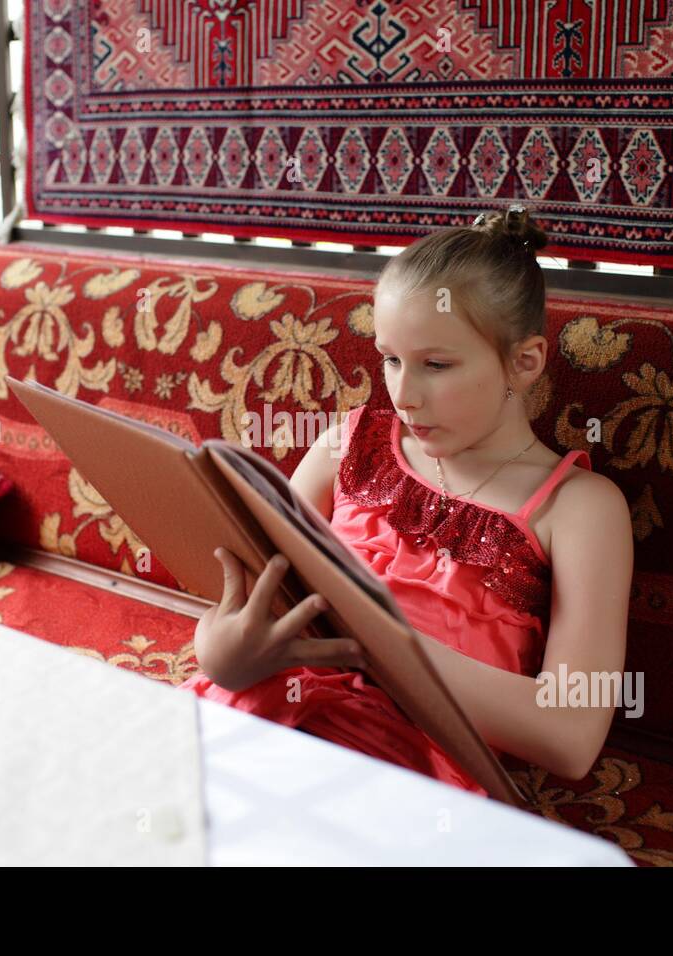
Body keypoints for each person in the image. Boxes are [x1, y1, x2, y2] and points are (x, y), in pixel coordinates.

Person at [178, 205, 633, 795]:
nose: (404, 394)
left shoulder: (579, 507)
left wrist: (378, 643)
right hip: (258, 708)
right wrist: (217, 651)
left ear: (524, 363)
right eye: (390, 359)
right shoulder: (348, 444)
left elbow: (570, 735)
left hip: (396, 768)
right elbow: (253, 591)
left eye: (435, 365)